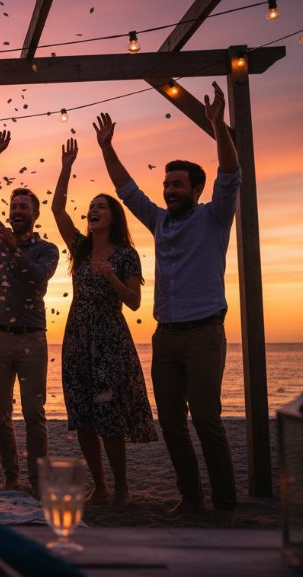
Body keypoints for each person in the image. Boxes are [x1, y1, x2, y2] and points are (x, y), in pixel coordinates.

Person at [93, 82, 240, 522]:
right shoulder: (158, 221)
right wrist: (107, 148)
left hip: (204, 334)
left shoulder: (214, 217)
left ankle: (226, 501)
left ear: (196, 189)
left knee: (207, 420)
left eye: (178, 184)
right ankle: (191, 497)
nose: (170, 190)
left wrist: (217, 126)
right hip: (166, 337)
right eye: (167, 184)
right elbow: (128, 190)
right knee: (172, 423)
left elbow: (230, 172)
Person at [49, 137, 157, 506]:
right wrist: (66, 167)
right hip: (77, 336)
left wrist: (111, 277)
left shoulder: (127, 255)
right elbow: (57, 210)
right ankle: (100, 484)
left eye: (100, 207)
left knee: (108, 412)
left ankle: (122, 485)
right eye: (91, 207)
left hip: (109, 337)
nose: (92, 211)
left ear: (113, 217)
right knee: (82, 414)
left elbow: (135, 302)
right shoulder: (79, 248)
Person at [0, 130, 60, 492]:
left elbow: (39, 280)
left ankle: (38, 482)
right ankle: (12, 477)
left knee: (34, 414)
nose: (17, 211)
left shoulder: (47, 249)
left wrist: (15, 251)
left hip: (31, 339)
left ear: (36, 214)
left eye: (25, 207)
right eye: (14, 206)